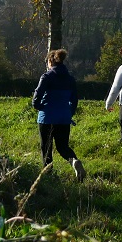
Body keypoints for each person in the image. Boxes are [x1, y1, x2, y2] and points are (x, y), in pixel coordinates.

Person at [32, 48, 86, 182]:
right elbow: (74, 100)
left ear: (50, 61)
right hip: (63, 117)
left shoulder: (47, 77)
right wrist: (69, 113)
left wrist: (38, 106)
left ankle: (48, 175)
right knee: (63, 147)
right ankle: (74, 161)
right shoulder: (70, 79)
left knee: (46, 147)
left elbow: (37, 96)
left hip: (47, 117)